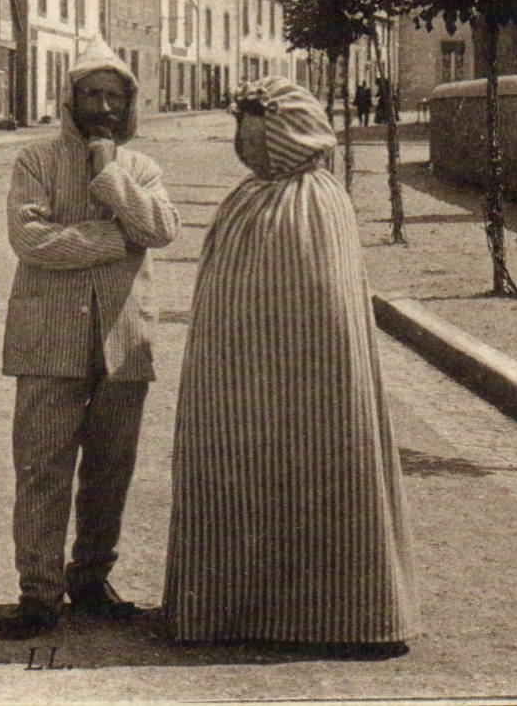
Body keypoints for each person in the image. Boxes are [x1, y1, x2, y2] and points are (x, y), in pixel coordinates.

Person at [161, 75, 418, 659]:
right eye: (238, 129)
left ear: (283, 131)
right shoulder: (245, 196)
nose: (240, 142)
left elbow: (326, 303)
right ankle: (233, 608)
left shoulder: (320, 200)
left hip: (311, 383)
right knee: (236, 468)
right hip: (237, 378)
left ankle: (338, 613)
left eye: (250, 129)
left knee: (318, 470)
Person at [0, 37, 181, 640]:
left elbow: (159, 229)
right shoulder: (36, 161)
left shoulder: (142, 169)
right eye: (91, 95)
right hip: (49, 342)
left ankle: (91, 578)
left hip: (123, 345)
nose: (103, 107)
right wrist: (110, 241)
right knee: (43, 468)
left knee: (109, 472)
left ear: (129, 104)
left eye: (114, 96)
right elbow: (31, 242)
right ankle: (39, 592)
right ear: (69, 99)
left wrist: (110, 177)